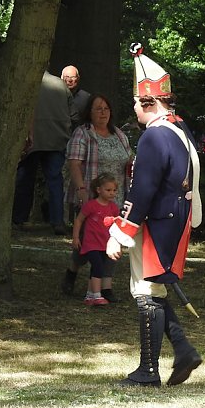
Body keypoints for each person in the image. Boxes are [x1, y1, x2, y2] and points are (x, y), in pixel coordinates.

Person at [106, 44, 202, 387]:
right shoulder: (181, 131)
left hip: (157, 222)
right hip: (175, 220)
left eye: (137, 102)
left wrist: (121, 231)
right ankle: (183, 349)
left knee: (145, 291)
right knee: (156, 291)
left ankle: (148, 370)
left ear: (149, 102)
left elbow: (142, 191)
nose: (134, 108)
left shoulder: (154, 137)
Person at [61, 94, 132, 301]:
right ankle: (72, 271)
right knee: (86, 242)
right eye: (98, 109)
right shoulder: (83, 134)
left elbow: (128, 159)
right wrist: (82, 189)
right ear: (89, 113)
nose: (103, 113)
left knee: (113, 239)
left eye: (106, 109)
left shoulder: (119, 134)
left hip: (115, 199)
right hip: (91, 199)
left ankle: (105, 287)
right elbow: (74, 163)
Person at [12, 71, 72, 235]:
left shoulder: (26, 81)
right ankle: (57, 221)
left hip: (33, 139)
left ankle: (19, 218)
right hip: (57, 139)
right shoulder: (60, 84)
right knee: (55, 181)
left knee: (25, 180)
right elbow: (72, 110)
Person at [72, 174, 120, 306]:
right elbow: (79, 220)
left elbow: (117, 223)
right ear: (99, 190)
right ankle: (97, 295)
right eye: (108, 190)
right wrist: (76, 237)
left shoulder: (113, 207)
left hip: (104, 244)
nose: (112, 193)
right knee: (98, 266)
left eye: (114, 190)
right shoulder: (91, 205)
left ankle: (89, 295)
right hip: (91, 244)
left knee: (96, 268)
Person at [62, 65, 91, 130]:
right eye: (66, 77)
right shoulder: (57, 97)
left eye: (73, 77)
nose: (69, 80)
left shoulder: (86, 98)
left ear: (78, 78)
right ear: (61, 78)